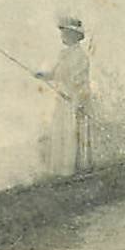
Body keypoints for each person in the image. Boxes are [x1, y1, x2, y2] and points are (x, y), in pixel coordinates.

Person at [34, 16, 92, 176]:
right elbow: (57, 74)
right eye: (62, 33)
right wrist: (43, 76)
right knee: (60, 132)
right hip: (63, 100)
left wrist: (72, 94)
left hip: (74, 100)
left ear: (73, 35)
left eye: (65, 33)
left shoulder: (80, 56)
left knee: (71, 133)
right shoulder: (64, 55)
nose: (62, 36)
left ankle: (72, 170)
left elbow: (77, 80)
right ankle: (60, 171)